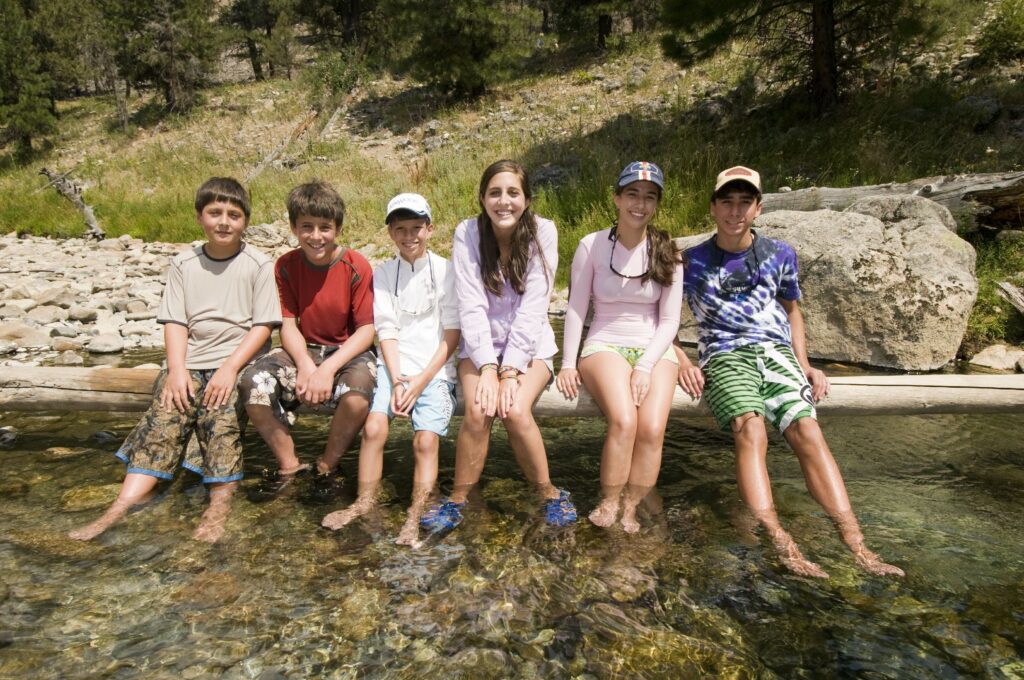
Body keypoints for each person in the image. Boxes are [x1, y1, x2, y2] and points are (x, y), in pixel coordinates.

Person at [673, 165, 904, 578]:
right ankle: (781, 542)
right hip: (725, 354)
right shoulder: (689, 262)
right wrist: (683, 361)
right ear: (712, 207)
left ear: (759, 208)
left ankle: (858, 547)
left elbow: (793, 313)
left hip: (777, 353)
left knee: (808, 432)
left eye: (745, 201)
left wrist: (806, 365)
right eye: (727, 201)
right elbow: (660, 325)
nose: (735, 210)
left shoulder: (781, 254)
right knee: (751, 428)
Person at [69, 177, 281, 543]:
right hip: (189, 359)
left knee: (221, 419)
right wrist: (177, 370)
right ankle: (118, 508)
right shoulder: (185, 263)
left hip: (235, 359)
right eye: (215, 213)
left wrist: (230, 369)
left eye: (233, 215)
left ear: (245, 220)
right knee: (166, 417)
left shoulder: (258, 264)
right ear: (200, 217)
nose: (224, 222)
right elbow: (176, 322)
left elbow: (263, 326)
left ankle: (218, 510)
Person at [420, 160, 577, 531]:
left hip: (532, 346)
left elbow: (536, 305)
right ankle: (460, 497)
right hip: (480, 344)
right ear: (482, 198)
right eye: (494, 193)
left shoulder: (544, 232)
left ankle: (549, 492)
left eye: (512, 193)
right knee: (478, 409)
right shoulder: (468, 233)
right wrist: (489, 367)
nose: (503, 201)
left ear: (526, 199)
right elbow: (471, 304)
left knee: (516, 410)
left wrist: (510, 370)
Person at [321, 193, 460, 546]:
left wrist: (420, 381)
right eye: (400, 229)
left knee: (425, 441)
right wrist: (398, 379)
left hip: (436, 371)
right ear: (390, 233)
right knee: (373, 427)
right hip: (394, 367)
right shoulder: (383, 273)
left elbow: (453, 334)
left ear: (430, 229)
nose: (409, 236)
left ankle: (415, 514)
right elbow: (387, 329)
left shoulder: (447, 271)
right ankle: (363, 502)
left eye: (416, 227)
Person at [556, 161, 683, 533]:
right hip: (604, 345)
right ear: (616, 197)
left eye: (649, 197)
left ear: (656, 204)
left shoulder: (669, 251)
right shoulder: (591, 245)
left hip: (655, 351)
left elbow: (670, 321)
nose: (639, 204)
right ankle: (610, 499)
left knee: (653, 428)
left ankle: (634, 505)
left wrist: (644, 366)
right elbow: (577, 308)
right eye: (632, 194)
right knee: (625, 420)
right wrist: (566, 362)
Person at [239, 181, 376, 501]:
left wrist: (326, 370)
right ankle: (289, 465)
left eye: (325, 227)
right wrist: (304, 366)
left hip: (349, 350)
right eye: (307, 227)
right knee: (251, 382)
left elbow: (366, 331)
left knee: (357, 394)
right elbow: (288, 324)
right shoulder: (285, 266)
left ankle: (327, 465)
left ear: (338, 228)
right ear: (293, 227)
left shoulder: (356, 266)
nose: (316, 236)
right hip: (304, 347)